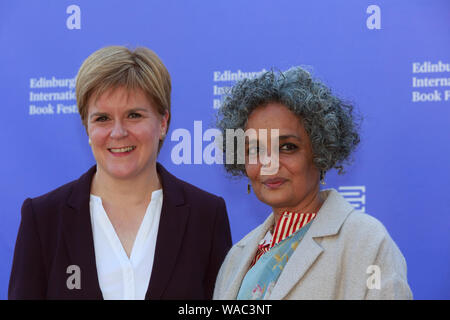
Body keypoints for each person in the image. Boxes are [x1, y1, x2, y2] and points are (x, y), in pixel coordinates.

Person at [9, 46, 232, 300]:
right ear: (87, 128)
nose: (117, 132)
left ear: (163, 123)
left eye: (133, 115)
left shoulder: (206, 215)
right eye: (102, 118)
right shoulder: (43, 219)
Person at [213, 67, 412, 300]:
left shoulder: (366, 242)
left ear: (320, 152)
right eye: (255, 150)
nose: (269, 164)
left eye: (287, 147)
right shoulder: (237, 258)